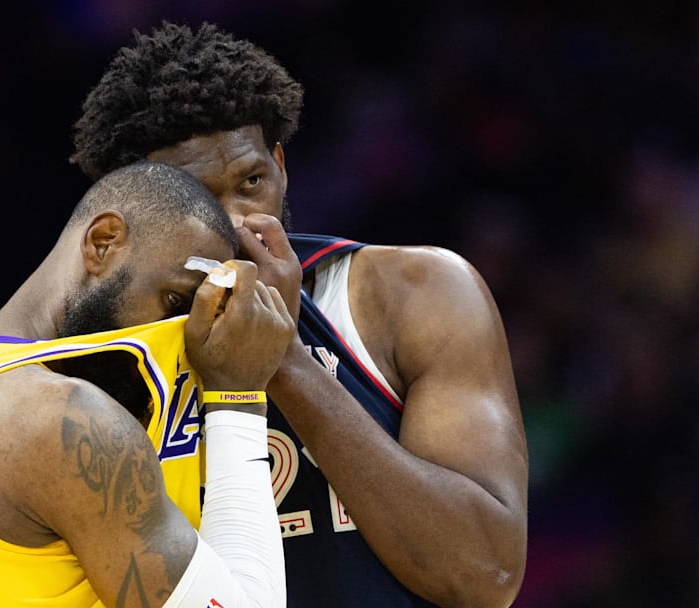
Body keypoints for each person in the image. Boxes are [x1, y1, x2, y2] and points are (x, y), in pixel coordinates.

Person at [70, 21, 529, 608]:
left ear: (281, 166)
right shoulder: (91, 363)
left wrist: (281, 356)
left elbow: (484, 574)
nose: (237, 222)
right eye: (196, 199)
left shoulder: (415, 294)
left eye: (252, 181)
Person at [0, 161, 295, 607]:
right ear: (103, 243)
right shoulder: (59, 418)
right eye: (174, 301)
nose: (182, 335)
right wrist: (238, 396)